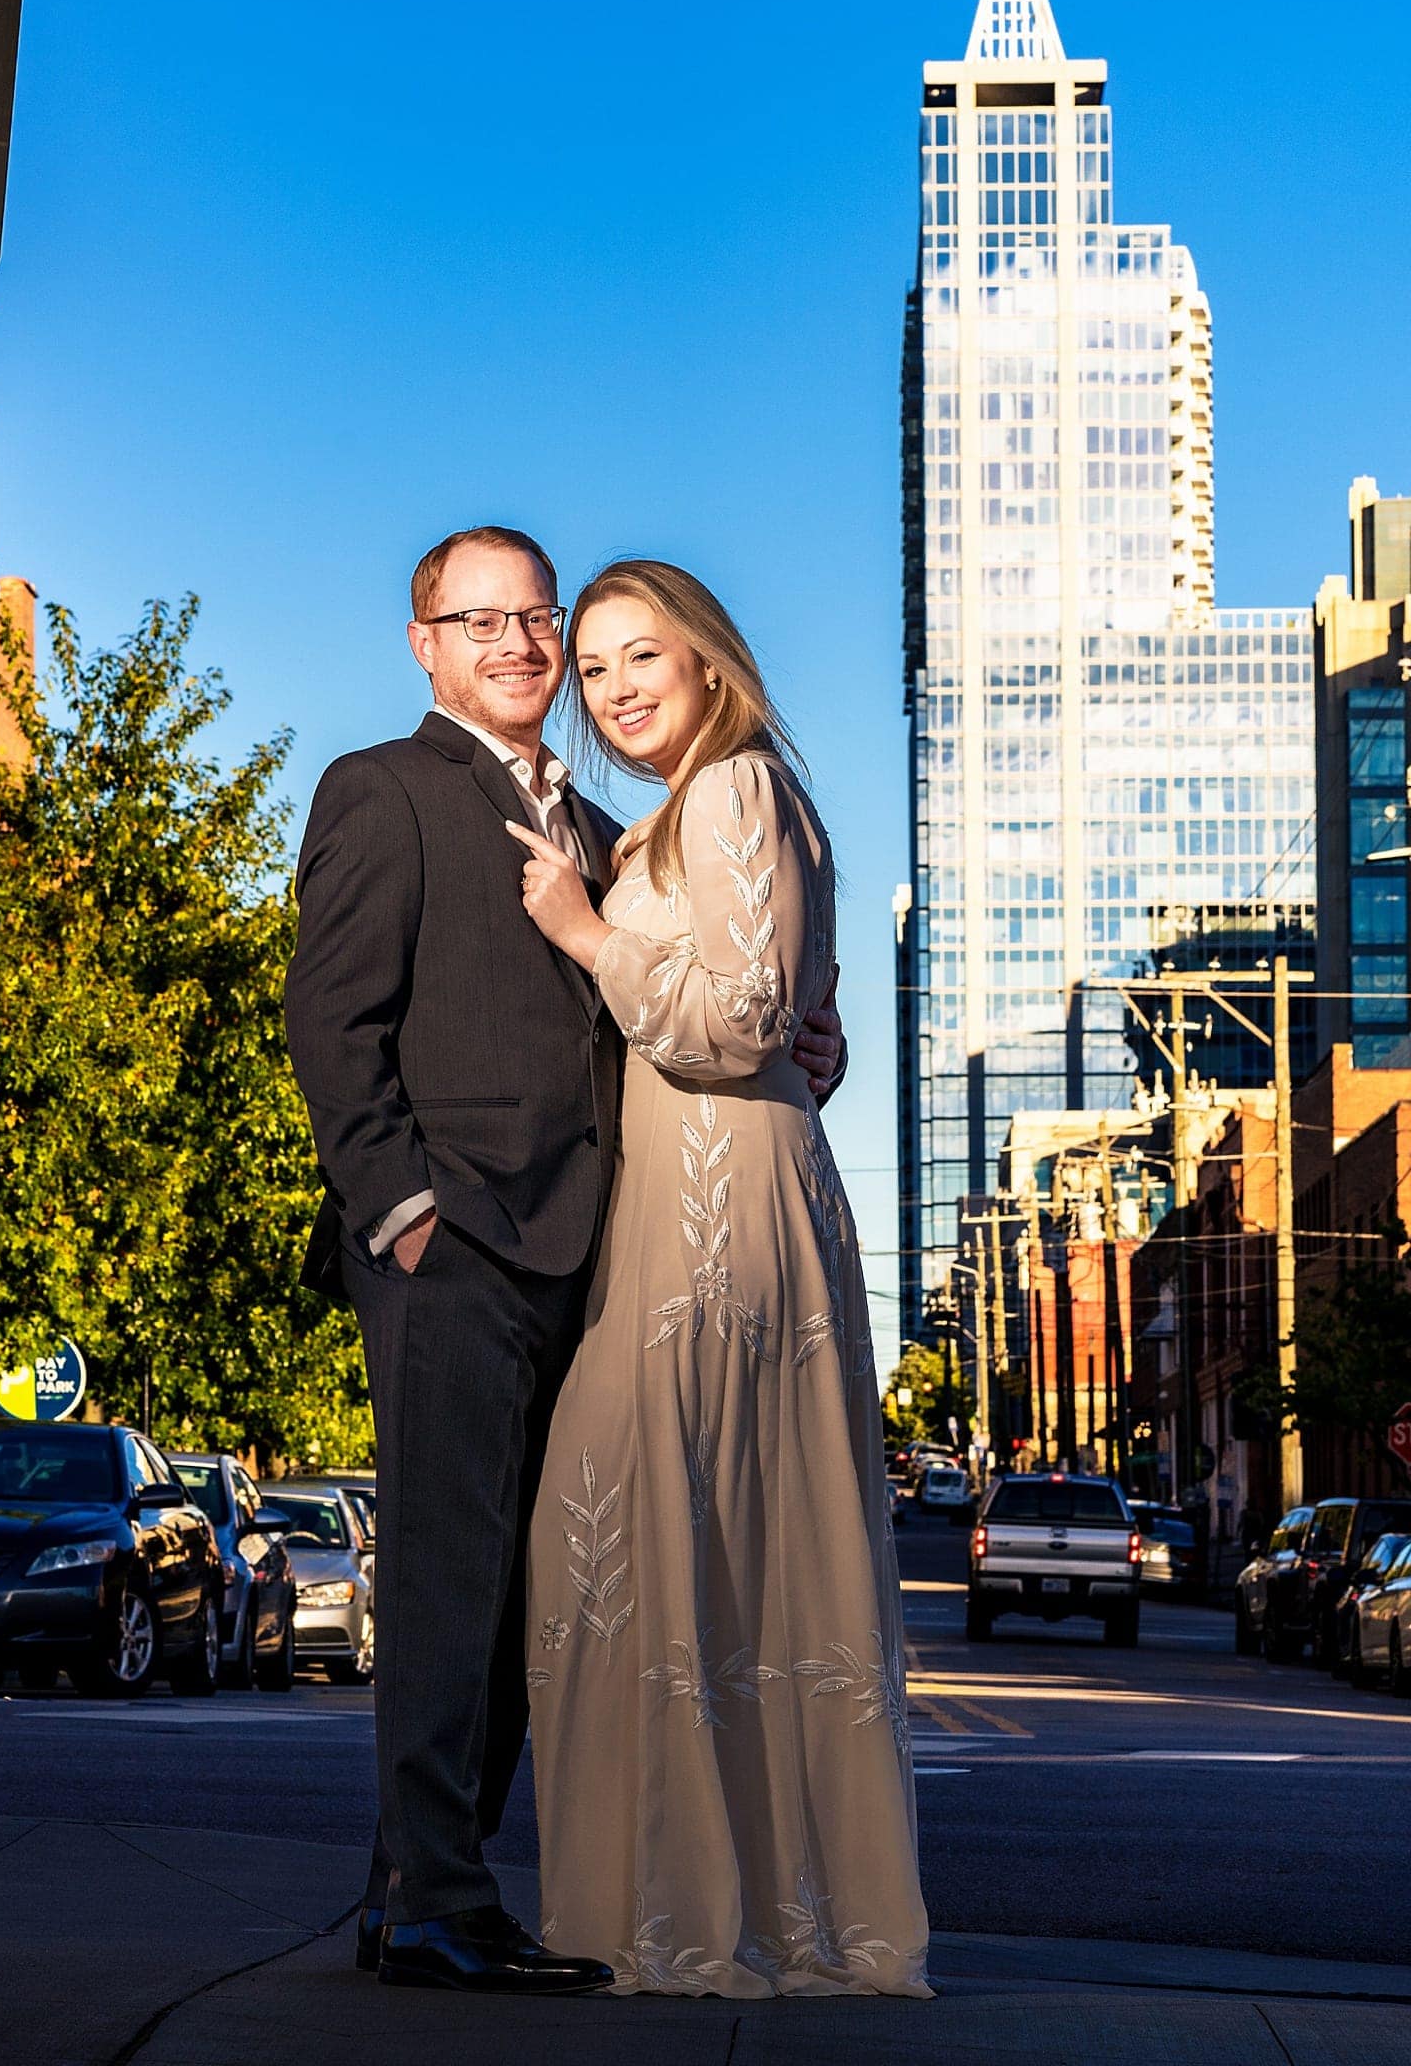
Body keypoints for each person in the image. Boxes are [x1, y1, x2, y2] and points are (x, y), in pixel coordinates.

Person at [284, 526, 845, 1995]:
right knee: (443, 1575)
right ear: (426, 644)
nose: (525, 648)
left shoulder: (603, 834)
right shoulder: (384, 791)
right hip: (453, 1246)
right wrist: (400, 1209)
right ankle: (433, 1902)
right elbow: (331, 1027)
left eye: (540, 619)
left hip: (595, 1264)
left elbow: (668, 1016)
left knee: (525, 1596)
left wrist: (798, 1053)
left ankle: (423, 1888)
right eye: (486, 623)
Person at [512, 559, 932, 2000]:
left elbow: (745, 1019)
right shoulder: (696, 813)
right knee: (700, 1550)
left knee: (638, 1531)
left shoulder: (738, 788)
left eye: (643, 656)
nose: (616, 687)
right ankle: (715, 1898)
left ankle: (696, 1913)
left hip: (720, 1219)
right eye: (595, 666)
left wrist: (580, 930)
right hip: (708, 1199)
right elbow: (798, 1009)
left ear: (709, 661)